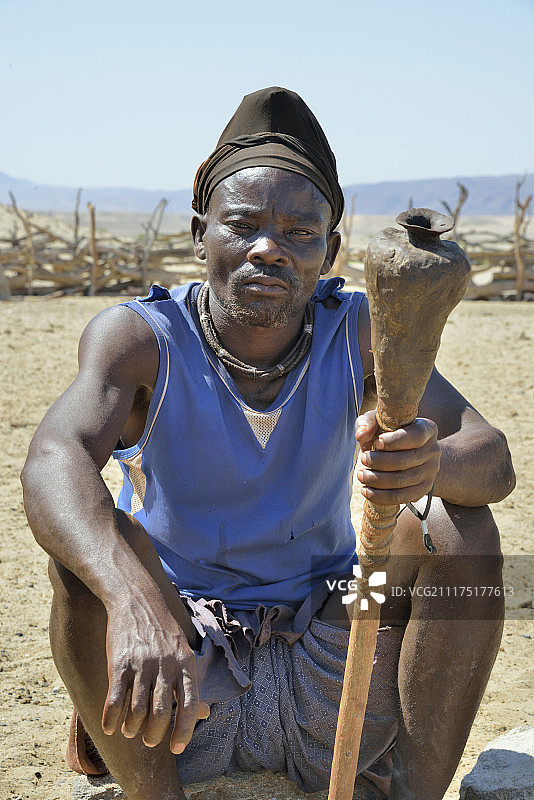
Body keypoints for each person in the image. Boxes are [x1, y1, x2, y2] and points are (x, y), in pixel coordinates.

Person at [21, 88, 515, 800]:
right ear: (200, 234)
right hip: (184, 653)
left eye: (298, 232)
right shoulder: (142, 341)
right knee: (93, 556)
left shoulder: (358, 334)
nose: (267, 249)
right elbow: (52, 458)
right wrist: (131, 597)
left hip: (336, 621)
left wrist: (431, 461)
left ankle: (409, 791)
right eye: (243, 224)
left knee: (453, 526)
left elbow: (492, 458)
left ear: (331, 249)